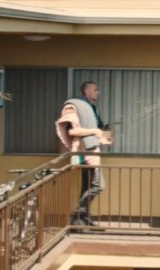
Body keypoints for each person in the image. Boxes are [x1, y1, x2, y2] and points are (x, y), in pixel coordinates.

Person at [56, 81, 112, 227]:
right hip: (84, 152)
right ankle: (78, 215)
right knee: (98, 185)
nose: (98, 92)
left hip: (91, 150)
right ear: (87, 91)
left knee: (87, 185)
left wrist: (103, 133)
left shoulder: (91, 107)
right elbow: (72, 131)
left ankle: (81, 220)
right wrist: (95, 131)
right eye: (95, 89)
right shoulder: (74, 105)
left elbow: (95, 129)